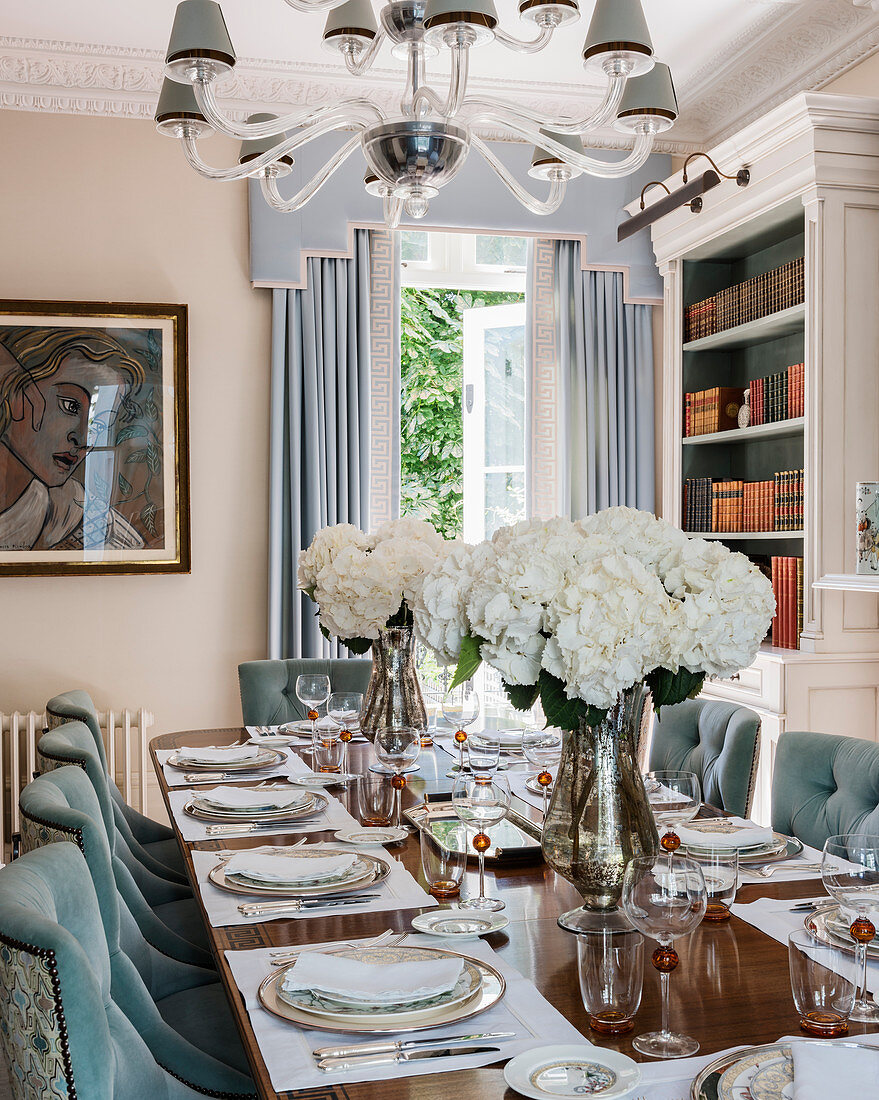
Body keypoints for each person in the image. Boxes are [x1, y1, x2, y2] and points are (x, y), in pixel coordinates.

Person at [0, 326, 147, 551]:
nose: (83, 438)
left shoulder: (88, 521)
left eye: (97, 423)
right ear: (17, 395)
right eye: (70, 406)